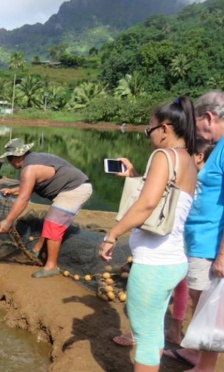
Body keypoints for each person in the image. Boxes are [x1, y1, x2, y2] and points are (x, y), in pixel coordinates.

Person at [99, 96, 197, 372]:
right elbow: (165, 199)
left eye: (149, 129)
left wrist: (112, 234)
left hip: (155, 262)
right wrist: (134, 175)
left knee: (145, 336)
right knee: (153, 329)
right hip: (174, 259)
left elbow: (148, 204)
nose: (149, 135)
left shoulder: (164, 156)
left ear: (165, 129)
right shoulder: (187, 159)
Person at [112, 139, 214, 348]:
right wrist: (133, 174)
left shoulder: (198, 179)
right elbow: (156, 192)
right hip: (181, 241)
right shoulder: (190, 175)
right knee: (175, 289)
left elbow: (153, 200)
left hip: (184, 242)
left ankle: (167, 332)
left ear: (199, 156)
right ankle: (168, 331)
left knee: (178, 290)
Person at [164, 91, 224, 371]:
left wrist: (223, 254)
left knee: (208, 308)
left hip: (211, 244)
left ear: (209, 117)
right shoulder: (219, 146)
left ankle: (205, 367)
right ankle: (195, 354)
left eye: (197, 124)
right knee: (202, 305)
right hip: (201, 239)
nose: (197, 132)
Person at [0, 139, 93, 279]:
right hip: (71, 188)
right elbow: (29, 188)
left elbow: (24, 198)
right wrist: (13, 191)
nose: (9, 162)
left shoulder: (29, 169)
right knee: (50, 219)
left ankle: (51, 267)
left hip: (75, 188)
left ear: (17, 157)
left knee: (54, 223)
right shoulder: (32, 161)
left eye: (9, 158)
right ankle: (37, 249)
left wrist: (8, 221)